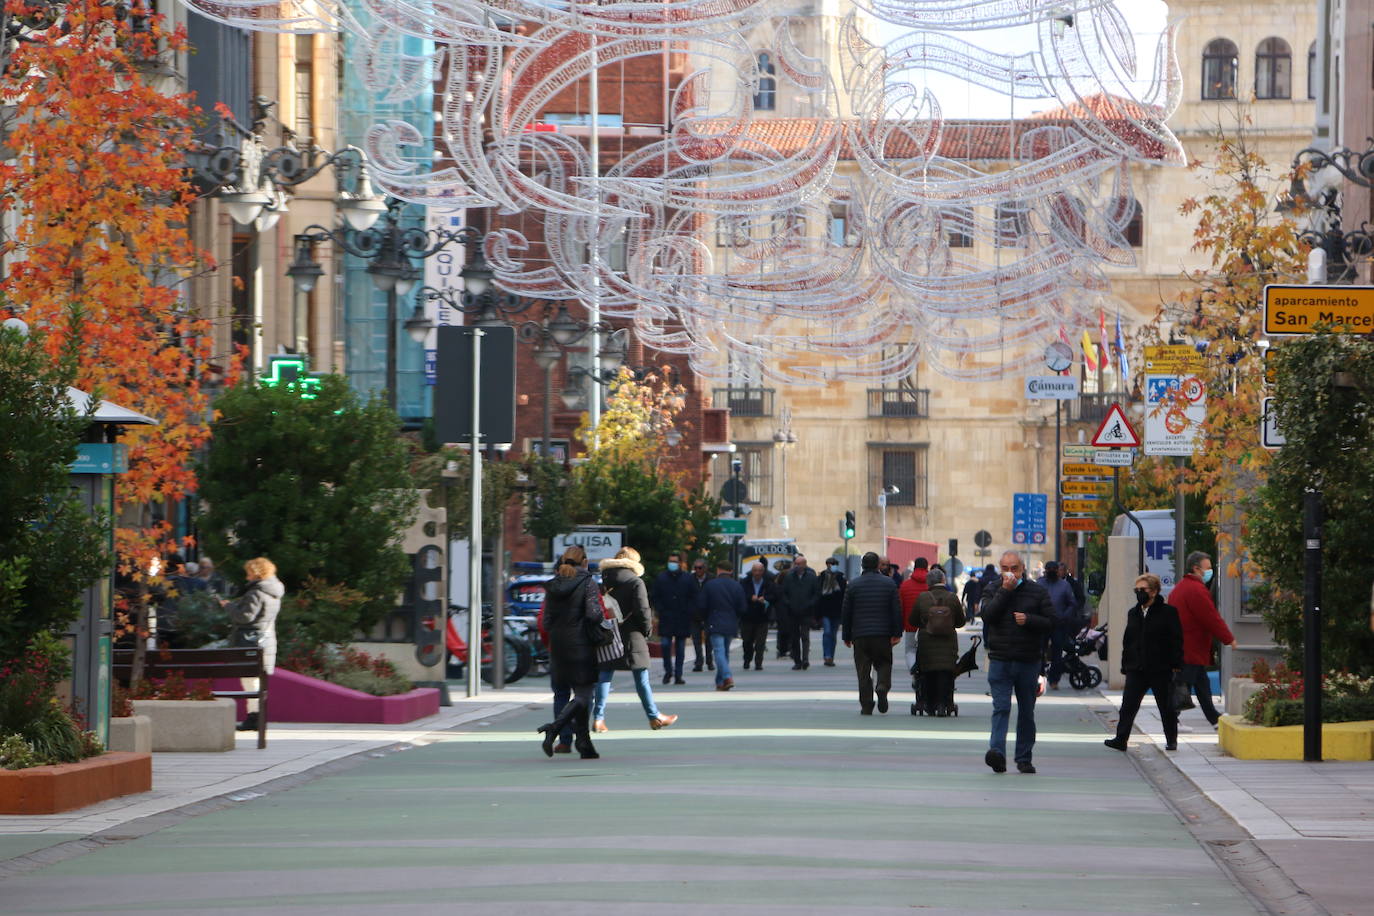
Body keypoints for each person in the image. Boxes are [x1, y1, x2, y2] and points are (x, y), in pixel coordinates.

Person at [981, 550, 1055, 774]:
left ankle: (1024, 757)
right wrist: (1005, 590)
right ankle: (997, 753)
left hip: (1028, 660)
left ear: (1022, 568)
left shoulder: (1037, 591)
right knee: (1001, 707)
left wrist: (1030, 619)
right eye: (1005, 568)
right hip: (1000, 659)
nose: (1010, 573)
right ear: (1000, 569)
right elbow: (988, 615)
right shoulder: (993, 588)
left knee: (1026, 711)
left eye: (1014, 568)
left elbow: (1052, 621)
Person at [591, 547, 678, 732]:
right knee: (641, 678)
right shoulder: (635, 582)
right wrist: (646, 631)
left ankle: (598, 718)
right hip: (632, 634)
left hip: (609, 633)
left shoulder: (603, 581)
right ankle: (654, 717)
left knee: (605, 675)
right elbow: (643, 610)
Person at [536, 545, 604, 759]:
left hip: (557, 647)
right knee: (584, 695)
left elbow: (546, 622)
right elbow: (594, 615)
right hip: (581, 645)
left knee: (563, 693)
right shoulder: (587, 584)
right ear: (584, 562)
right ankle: (554, 728)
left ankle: (584, 744)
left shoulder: (553, 586)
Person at [1105, 573, 1184, 752]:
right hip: (1136, 667)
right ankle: (1121, 738)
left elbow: (1176, 639)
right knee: (1128, 705)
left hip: (1160, 668)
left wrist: (1176, 663)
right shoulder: (1133, 613)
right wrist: (1126, 665)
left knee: (1166, 706)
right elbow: (1128, 640)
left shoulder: (1168, 612)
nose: (1139, 593)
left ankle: (1171, 739)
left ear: (1154, 591)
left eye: (1143, 590)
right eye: (1137, 590)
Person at [223, 556, 285, 733]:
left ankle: (255, 717)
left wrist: (228, 606)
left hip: (250, 642)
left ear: (256, 573)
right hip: (265, 640)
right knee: (255, 682)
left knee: (250, 682)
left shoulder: (256, 592)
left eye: (249, 573)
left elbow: (245, 617)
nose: (247, 577)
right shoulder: (274, 591)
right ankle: (256, 716)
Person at [841, 552, 903, 714]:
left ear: (862, 565)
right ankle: (882, 686)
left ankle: (866, 704)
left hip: (860, 635)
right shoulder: (889, 584)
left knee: (863, 670)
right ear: (877, 565)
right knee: (884, 663)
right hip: (882, 634)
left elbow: (846, 613)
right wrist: (897, 632)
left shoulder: (853, 585)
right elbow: (896, 610)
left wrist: (846, 635)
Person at [912, 567, 966, 716]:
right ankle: (944, 703)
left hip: (927, 642)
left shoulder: (922, 597)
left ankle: (929, 704)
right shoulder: (952, 597)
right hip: (948, 643)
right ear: (943, 580)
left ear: (928, 582)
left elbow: (913, 620)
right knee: (946, 673)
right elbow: (961, 622)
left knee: (927, 673)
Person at [698, 560, 745, 690]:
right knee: (724, 653)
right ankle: (720, 682)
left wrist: (704, 619)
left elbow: (702, 606)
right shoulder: (737, 586)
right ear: (731, 571)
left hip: (714, 620)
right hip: (731, 622)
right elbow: (742, 607)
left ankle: (727, 677)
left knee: (718, 651)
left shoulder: (710, 585)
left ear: (718, 570)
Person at [652, 551, 695, 685]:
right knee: (665, 645)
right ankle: (668, 671)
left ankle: (678, 674)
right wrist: (660, 609)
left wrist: (689, 610)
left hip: (682, 617)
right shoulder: (661, 578)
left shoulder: (687, 578)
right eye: (670, 561)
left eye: (675, 561)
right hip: (666, 616)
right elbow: (655, 596)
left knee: (680, 648)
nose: (672, 564)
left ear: (680, 563)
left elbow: (693, 596)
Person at [1037, 560, 1081, 690]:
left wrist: (1064, 616)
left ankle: (1054, 679)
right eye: (1048, 569)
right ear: (1045, 571)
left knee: (1057, 653)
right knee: (1040, 651)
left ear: (1058, 571)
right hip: (1042, 623)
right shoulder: (1039, 584)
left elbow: (1072, 603)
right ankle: (1039, 677)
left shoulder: (1064, 585)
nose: (1051, 572)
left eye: (1054, 570)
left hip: (1059, 624)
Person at [780, 554, 819, 669]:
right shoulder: (789, 577)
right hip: (792, 612)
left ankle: (805, 659)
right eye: (795, 564)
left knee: (805, 636)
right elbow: (784, 593)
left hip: (806, 611)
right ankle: (797, 661)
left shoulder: (811, 577)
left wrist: (810, 604)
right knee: (794, 637)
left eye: (799, 564)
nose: (796, 566)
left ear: (804, 565)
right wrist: (788, 604)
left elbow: (816, 593)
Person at [738, 561, 776, 670]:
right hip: (747, 616)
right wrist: (750, 597)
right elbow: (741, 595)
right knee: (747, 641)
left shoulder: (768, 583)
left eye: (759, 571)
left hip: (762, 616)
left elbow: (774, 596)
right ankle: (747, 659)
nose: (757, 573)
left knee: (760, 642)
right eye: (755, 571)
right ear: (752, 571)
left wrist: (766, 599)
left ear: (763, 572)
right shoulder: (745, 582)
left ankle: (758, 663)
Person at [897, 557, 930, 677]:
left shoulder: (905, 586)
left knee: (910, 650)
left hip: (910, 625)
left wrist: (899, 627)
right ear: (927, 567)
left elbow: (900, 608)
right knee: (928, 650)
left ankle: (913, 669)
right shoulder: (931, 585)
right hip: (929, 626)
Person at [815, 557, 847, 666]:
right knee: (827, 632)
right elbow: (818, 593)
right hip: (825, 610)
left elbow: (844, 594)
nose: (833, 566)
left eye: (835, 564)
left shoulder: (841, 577)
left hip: (837, 610)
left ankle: (831, 657)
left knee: (833, 634)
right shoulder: (822, 577)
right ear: (827, 564)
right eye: (831, 564)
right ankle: (827, 656)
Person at [689, 558, 714, 672]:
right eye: (696, 568)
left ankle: (709, 660)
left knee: (709, 639)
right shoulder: (690, 579)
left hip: (709, 614)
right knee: (696, 640)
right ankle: (699, 662)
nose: (697, 570)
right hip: (694, 615)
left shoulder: (711, 579)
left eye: (700, 568)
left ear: (705, 568)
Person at [772, 559, 793, 659]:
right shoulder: (791, 584)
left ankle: (782, 649)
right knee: (791, 630)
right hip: (789, 609)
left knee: (782, 630)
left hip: (780, 610)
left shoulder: (777, 584)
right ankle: (789, 648)